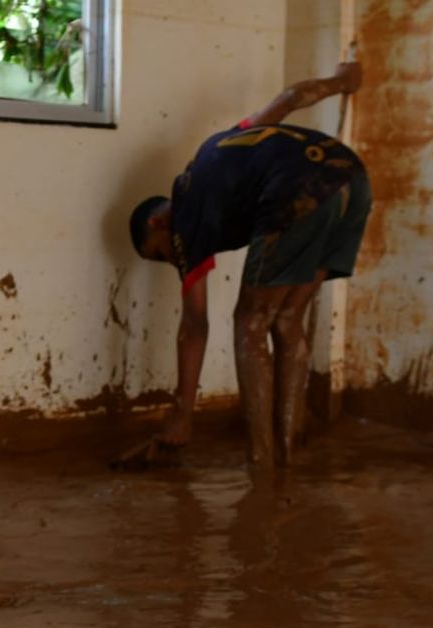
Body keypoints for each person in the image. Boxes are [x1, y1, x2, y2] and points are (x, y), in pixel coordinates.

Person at [129, 62, 369, 468]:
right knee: (288, 318)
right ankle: (287, 453)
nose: (170, 261)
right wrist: (342, 82)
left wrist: (183, 414)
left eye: (159, 253)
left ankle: (261, 464)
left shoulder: (184, 218)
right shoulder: (224, 145)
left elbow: (195, 325)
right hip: (353, 179)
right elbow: (290, 99)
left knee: (250, 323)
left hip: (298, 193)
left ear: (157, 223)